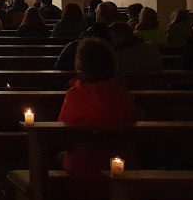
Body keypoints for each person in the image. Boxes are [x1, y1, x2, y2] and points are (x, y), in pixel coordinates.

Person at [58, 38, 138, 177]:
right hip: (124, 161)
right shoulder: (123, 92)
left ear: (81, 64)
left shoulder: (76, 94)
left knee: (57, 157)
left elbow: (63, 130)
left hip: (83, 162)